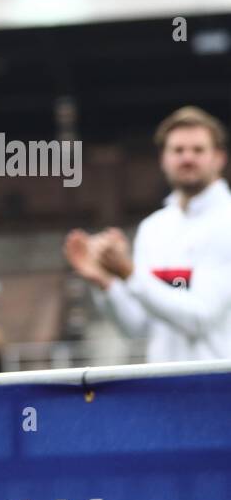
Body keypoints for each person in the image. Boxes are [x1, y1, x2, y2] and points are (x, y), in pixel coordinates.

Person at [64, 105, 231, 362]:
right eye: (178, 150)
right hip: (162, 389)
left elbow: (201, 317)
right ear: (163, 159)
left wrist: (129, 274)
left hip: (220, 389)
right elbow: (138, 328)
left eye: (198, 150)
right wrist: (107, 284)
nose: (187, 158)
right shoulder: (153, 229)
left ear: (219, 158)